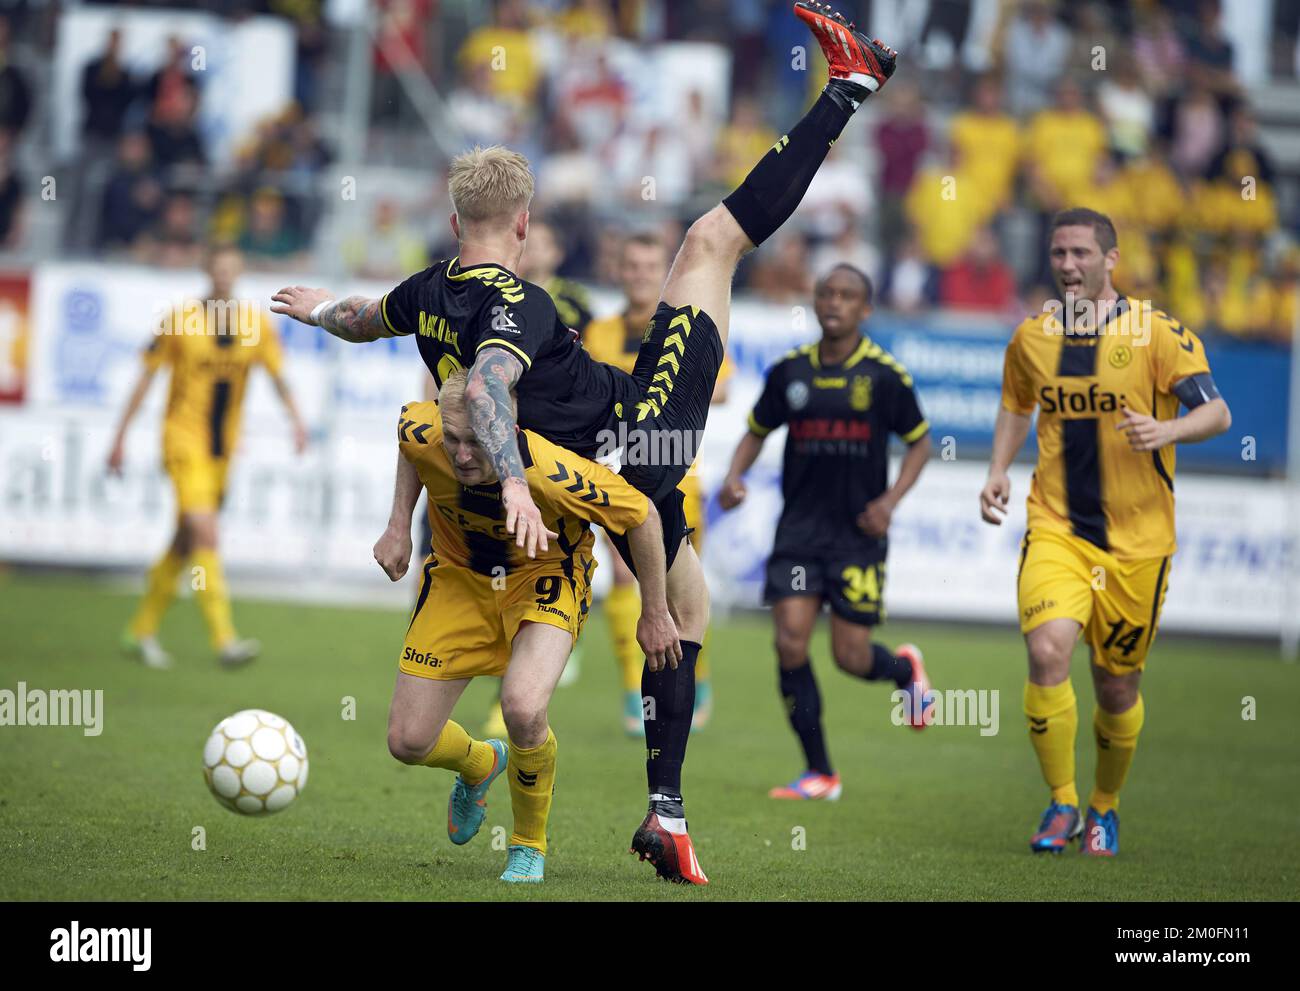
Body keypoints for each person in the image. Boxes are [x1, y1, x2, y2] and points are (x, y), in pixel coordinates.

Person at [272, 0, 898, 883]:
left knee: (684, 610)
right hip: (636, 436)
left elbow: (362, 317)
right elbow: (491, 381)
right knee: (713, 241)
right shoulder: (523, 303)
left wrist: (312, 313)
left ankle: (668, 810)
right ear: (522, 221)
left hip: (601, 459)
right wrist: (520, 485)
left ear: (456, 225)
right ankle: (849, 87)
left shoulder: (423, 289)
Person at [979, 208, 1232, 856]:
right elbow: (1016, 404)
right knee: (1046, 652)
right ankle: (1062, 801)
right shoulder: (1033, 335)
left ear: (1111, 259)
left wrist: (1166, 429)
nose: (1068, 264)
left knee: (1116, 684)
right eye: (1058, 253)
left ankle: (1104, 806)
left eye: (1081, 253)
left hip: (1139, 543)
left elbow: (1218, 412)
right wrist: (999, 470)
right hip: (1057, 524)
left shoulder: (1157, 333)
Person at [375, 371, 674, 883]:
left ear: (508, 429)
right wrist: (398, 523)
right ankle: (478, 763)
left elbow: (642, 516)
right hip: (458, 580)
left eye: (476, 441)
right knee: (407, 741)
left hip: (544, 575)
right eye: (454, 440)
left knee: (523, 706)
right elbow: (411, 443)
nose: (463, 454)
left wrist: (655, 609)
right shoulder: (424, 429)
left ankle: (527, 844)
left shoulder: (552, 470)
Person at [718, 264, 933, 799]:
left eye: (847, 296)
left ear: (865, 309)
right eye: (826, 294)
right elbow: (756, 431)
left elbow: (921, 443)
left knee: (851, 657)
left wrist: (889, 501)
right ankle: (820, 772)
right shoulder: (791, 372)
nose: (834, 303)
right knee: (790, 641)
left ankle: (903, 669)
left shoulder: (885, 377)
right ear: (815, 304)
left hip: (858, 535)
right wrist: (735, 476)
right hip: (799, 533)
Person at [109, 245, 308, 668]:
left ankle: (139, 630)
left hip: (223, 450)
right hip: (182, 442)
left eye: (231, 270)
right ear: (207, 271)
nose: (224, 277)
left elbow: (277, 376)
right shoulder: (180, 320)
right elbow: (146, 378)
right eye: (217, 269)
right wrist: (120, 436)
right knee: (206, 533)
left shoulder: (254, 325)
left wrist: (296, 420)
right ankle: (224, 639)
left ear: (238, 274)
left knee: (184, 540)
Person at [584, 231, 730, 734]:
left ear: (665, 273)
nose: (642, 274)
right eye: (633, 265)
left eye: (651, 266)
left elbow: (722, 383)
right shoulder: (600, 332)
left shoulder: (682, 326)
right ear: (620, 271)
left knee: (681, 592)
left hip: (680, 475)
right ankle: (635, 693)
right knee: (625, 580)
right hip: (620, 477)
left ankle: (696, 678)